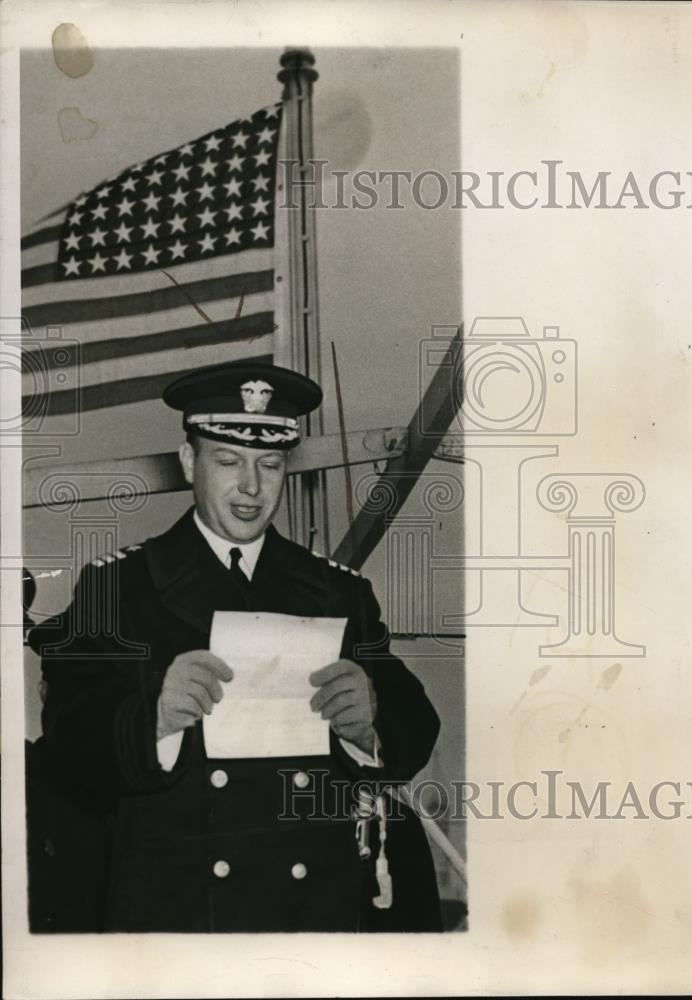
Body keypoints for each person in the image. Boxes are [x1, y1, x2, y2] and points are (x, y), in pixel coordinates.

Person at [28, 360, 442, 933]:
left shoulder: (338, 590)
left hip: (317, 902)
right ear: (189, 462)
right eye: (228, 462)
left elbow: (416, 721)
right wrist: (151, 717)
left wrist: (371, 721)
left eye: (269, 464)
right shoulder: (117, 588)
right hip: (182, 904)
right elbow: (66, 743)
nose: (251, 487)